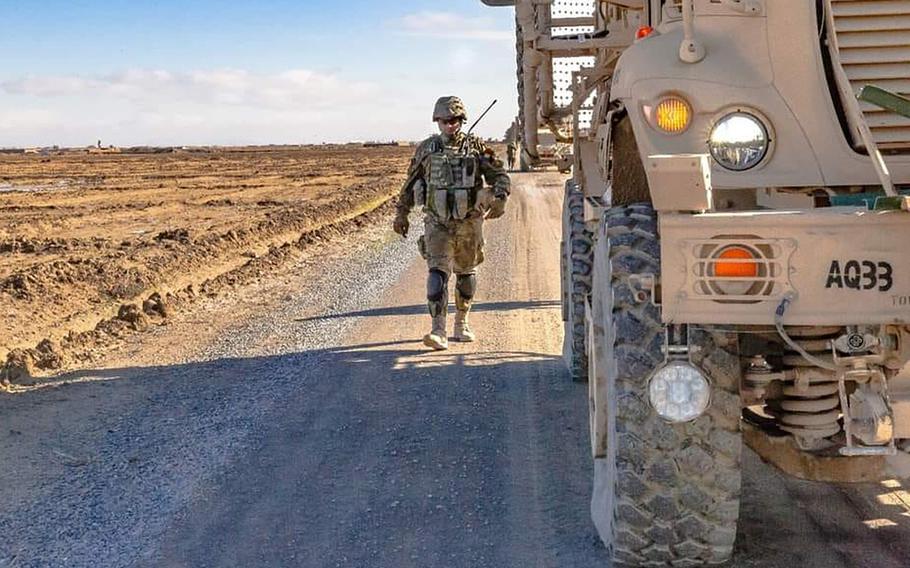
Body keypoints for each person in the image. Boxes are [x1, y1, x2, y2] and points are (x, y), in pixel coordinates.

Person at [393, 96, 511, 350]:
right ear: (437, 121)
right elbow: (410, 183)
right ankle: (438, 330)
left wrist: (500, 196)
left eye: (455, 120)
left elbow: (499, 175)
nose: (450, 125)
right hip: (437, 223)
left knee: (466, 275)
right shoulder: (426, 149)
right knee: (437, 275)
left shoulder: (478, 148)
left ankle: (462, 322)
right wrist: (401, 213)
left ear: (461, 121)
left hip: (469, 223)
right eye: (445, 121)